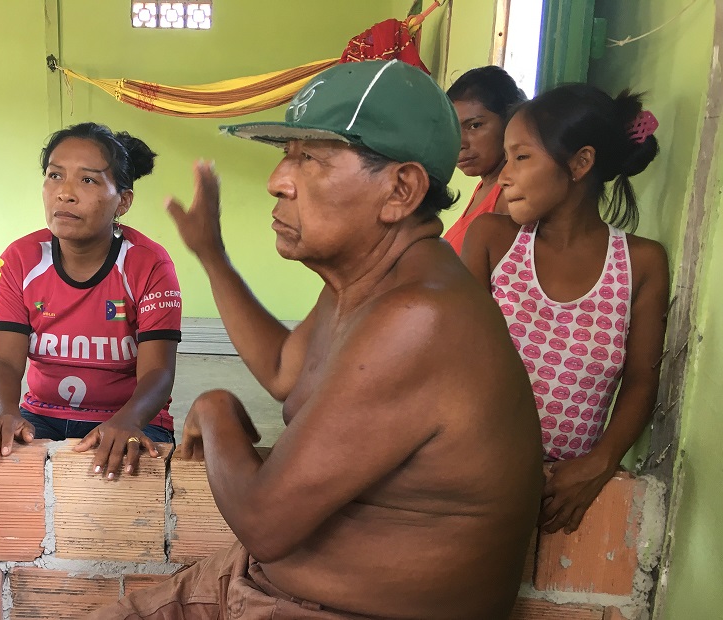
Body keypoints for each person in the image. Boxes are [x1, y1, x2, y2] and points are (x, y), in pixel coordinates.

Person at [91, 60, 542, 620]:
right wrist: (212, 254)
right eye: (288, 154)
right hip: (269, 588)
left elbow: (265, 523)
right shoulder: (369, 279)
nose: (278, 180)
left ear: (400, 189)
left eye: (311, 159)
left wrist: (215, 411)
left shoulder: (419, 317)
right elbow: (287, 368)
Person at [461, 84, 668, 535]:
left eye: (521, 157)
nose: (504, 177)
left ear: (580, 163)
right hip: (474, 469)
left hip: (563, 494)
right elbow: (457, 361)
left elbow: (642, 380)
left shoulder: (641, 263)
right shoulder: (492, 240)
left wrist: (600, 462)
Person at [0, 122, 182, 478]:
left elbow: (158, 371)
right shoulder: (20, 259)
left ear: (123, 201)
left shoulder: (149, 264)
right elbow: (2, 360)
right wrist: (6, 414)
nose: (65, 193)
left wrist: (127, 421)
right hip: (41, 417)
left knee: (117, 486)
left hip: (133, 420)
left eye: (88, 180)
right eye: (55, 175)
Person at [442, 65, 526, 254]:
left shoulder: (512, 197)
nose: (460, 143)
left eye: (475, 126)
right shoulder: (485, 186)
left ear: (509, 121)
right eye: (453, 130)